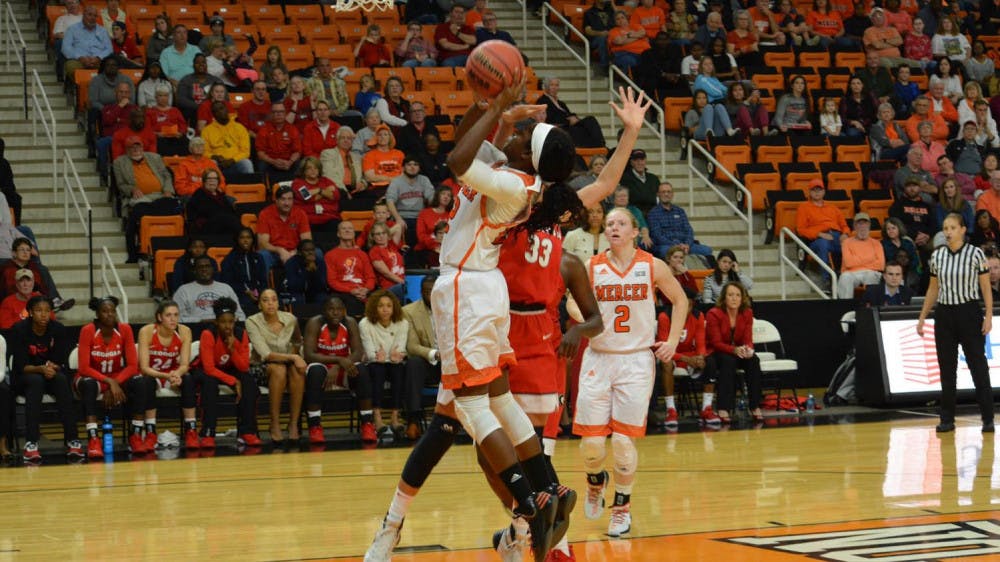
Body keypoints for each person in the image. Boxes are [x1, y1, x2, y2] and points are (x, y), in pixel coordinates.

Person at [363, 85, 649, 562]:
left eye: (523, 133)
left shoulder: (517, 187)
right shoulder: (516, 172)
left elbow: (458, 159)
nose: (517, 132)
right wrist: (487, 107)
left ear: (527, 153)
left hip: (475, 297)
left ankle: (526, 505)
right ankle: (534, 496)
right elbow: (464, 143)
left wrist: (496, 109)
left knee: (472, 416)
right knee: (450, 424)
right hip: (493, 303)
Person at [573, 206, 687, 538]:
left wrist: (671, 341)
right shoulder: (591, 267)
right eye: (609, 224)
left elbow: (680, 301)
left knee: (623, 441)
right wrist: (582, 317)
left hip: (636, 360)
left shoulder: (652, 265)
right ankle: (596, 481)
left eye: (621, 223)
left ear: (635, 231)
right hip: (599, 357)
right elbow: (569, 301)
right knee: (592, 445)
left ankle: (622, 507)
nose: (614, 227)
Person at [916, 213, 994, 433]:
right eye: (945, 228)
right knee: (947, 369)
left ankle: (987, 417)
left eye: (952, 227)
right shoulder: (937, 256)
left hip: (969, 312)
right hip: (944, 314)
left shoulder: (975, 253)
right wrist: (922, 317)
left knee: (978, 366)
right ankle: (947, 418)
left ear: (962, 229)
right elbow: (933, 289)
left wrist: (988, 315)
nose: (948, 231)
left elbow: (986, 287)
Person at [11, 296, 81, 462]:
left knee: (62, 380)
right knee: (36, 381)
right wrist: (41, 369)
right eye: (39, 311)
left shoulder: (58, 329)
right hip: (25, 377)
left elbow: (60, 360)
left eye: (47, 311)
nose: (43, 315)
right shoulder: (19, 329)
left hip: (48, 373)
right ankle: (31, 443)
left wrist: (52, 368)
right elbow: (21, 366)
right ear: (30, 313)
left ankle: (73, 440)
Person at [188, 297, 262, 449]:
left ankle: (247, 432)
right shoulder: (208, 334)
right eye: (223, 322)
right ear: (216, 322)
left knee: (248, 382)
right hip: (204, 370)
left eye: (231, 321)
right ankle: (208, 432)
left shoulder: (241, 334)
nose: (227, 326)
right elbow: (208, 368)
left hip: (229, 368)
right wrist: (233, 381)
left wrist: (233, 348)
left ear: (235, 320)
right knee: (210, 382)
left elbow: (243, 367)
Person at [73, 296, 134, 459]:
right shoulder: (88, 330)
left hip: (114, 377)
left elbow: (133, 365)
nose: (110, 314)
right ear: (97, 314)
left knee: (139, 383)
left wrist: (115, 382)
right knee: (90, 385)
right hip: (91, 377)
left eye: (112, 311)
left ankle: (136, 434)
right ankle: (93, 438)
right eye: (105, 311)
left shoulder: (125, 330)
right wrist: (109, 382)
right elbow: (84, 367)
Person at [302, 296, 366, 444]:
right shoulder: (315, 323)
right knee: (315, 372)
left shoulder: (350, 322)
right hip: (321, 365)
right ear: (324, 311)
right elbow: (309, 355)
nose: (335, 313)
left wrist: (339, 365)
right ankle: (315, 426)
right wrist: (337, 360)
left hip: (343, 366)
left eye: (339, 309)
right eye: (331, 309)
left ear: (344, 311)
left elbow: (357, 352)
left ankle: (367, 423)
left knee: (362, 370)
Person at [246, 289, 307, 442]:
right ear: (259, 305)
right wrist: (293, 356)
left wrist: (294, 353)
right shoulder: (252, 321)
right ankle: (274, 423)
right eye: (265, 300)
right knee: (278, 369)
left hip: (287, 364)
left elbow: (298, 340)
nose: (270, 303)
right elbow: (265, 354)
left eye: (273, 299)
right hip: (261, 367)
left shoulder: (290, 319)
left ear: (278, 303)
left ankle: (293, 424)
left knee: (297, 371)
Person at [658, 286, 718, 425]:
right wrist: (686, 359)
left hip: (690, 356)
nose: (685, 309)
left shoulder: (698, 316)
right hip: (672, 356)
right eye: (682, 305)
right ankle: (671, 410)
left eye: (689, 306)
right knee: (665, 362)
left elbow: (701, 343)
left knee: (710, 361)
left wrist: (701, 357)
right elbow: (664, 348)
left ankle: (707, 408)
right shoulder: (664, 317)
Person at [137, 300, 192, 450]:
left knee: (188, 379)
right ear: (159, 317)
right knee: (147, 381)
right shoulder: (147, 331)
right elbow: (144, 367)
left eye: (176, 315)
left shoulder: (184, 331)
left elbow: (185, 364)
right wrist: (166, 376)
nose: (173, 319)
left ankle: (191, 429)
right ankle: (150, 431)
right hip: (153, 374)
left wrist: (177, 374)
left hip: (171, 374)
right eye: (168, 315)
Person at [705, 282, 764, 422]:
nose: (734, 298)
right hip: (717, 352)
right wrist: (734, 350)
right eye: (730, 295)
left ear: (742, 298)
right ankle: (724, 407)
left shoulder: (747, 312)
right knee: (728, 360)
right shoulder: (714, 313)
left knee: (754, 360)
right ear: (724, 297)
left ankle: (755, 405)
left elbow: (748, 339)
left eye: (738, 295)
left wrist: (748, 349)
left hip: (738, 351)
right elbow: (716, 343)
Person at [113, 137, 177, 263]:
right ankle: (135, 252)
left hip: (161, 195)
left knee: (172, 205)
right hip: (140, 198)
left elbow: (166, 176)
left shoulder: (155, 157)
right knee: (139, 210)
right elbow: (121, 185)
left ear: (143, 147)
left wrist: (168, 190)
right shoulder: (119, 162)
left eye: (139, 147)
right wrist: (132, 189)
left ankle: (169, 245)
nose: (136, 149)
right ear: (127, 150)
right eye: (133, 147)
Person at [358, 290, 409, 438]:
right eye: (380, 306)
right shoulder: (365, 323)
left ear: (394, 308)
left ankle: (395, 418)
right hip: (374, 364)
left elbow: (400, 349)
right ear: (374, 307)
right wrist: (378, 357)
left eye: (389, 306)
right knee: (378, 370)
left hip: (394, 362)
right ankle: (377, 417)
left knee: (398, 370)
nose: (385, 309)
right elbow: (370, 353)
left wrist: (395, 355)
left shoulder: (402, 323)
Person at [400, 276, 438, 440]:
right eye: (426, 291)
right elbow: (412, 346)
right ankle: (413, 420)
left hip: (451, 360)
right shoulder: (409, 311)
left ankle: (467, 419)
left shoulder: (454, 307)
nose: (430, 295)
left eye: (433, 291)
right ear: (421, 292)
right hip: (428, 361)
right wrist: (435, 354)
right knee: (413, 364)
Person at [795, 179, 850, 286]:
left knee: (851, 243)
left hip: (836, 236)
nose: (817, 192)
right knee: (823, 244)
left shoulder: (833, 208)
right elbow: (801, 230)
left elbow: (844, 226)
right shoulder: (804, 207)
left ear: (824, 192)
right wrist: (819, 234)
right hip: (817, 240)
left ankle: (847, 276)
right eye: (814, 190)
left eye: (819, 190)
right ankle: (826, 280)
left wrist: (845, 234)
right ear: (809, 192)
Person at [647, 181, 712, 261]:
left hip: (684, 245)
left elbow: (689, 230)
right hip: (666, 246)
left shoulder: (680, 211)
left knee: (707, 250)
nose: (666, 194)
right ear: (658, 194)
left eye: (669, 192)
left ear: (672, 194)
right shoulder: (653, 213)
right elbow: (657, 236)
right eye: (663, 192)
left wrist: (687, 244)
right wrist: (676, 246)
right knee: (664, 251)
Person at [257, 185, 315, 271]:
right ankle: (264, 284)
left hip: (296, 252)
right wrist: (280, 250)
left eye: (289, 199)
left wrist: (295, 252)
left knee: (317, 253)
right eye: (283, 199)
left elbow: (307, 240)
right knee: (263, 254)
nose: (286, 203)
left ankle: (315, 284)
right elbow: (262, 244)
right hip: (274, 253)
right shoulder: (265, 214)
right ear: (276, 200)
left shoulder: (300, 213)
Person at [537, 77, 606, 149]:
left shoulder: (560, 103)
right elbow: (549, 118)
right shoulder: (543, 101)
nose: (555, 88)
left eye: (557, 85)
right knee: (589, 121)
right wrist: (568, 121)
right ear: (546, 86)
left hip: (569, 125)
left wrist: (574, 118)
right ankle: (601, 144)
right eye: (552, 85)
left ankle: (599, 144)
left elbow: (568, 113)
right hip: (561, 127)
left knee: (590, 121)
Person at [325, 220, 376, 317]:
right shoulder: (330, 255)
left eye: (350, 228)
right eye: (344, 229)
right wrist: (351, 290)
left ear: (354, 233)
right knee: (351, 303)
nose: (347, 231)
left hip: (363, 291)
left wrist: (366, 289)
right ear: (338, 234)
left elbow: (371, 277)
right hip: (344, 292)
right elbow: (332, 281)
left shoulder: (362, 254)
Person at [174, 256, 245, 323]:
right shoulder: (183, 290)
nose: (204, 269)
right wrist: (201, 320)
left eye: (207, 266)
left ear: (212, 269)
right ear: (194, 270)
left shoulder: (226, 288)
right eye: (200, 267)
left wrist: (227, 320)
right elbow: (177, 318)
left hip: (224, 328)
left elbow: (241, 316)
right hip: (196, 328)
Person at [220, 228, 268, 315]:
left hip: (258, 293)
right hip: (239, 293)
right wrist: (246, 291)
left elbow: (263, 280)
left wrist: (261, 293)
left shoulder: (258, 257)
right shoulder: (229, 259)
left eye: (249, 237)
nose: (245, 240)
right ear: (237, 240)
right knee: (249, 306)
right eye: (242, 238)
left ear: (253, 240)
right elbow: (227, 282)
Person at [202, 101, 254, 182]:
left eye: (221, 108)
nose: (220, 112)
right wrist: (214, 157)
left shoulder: (240, 128)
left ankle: (250, 189)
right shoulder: (206, 130)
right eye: (216, 111)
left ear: (226, 109)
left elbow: (245, 152)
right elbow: (204, 152)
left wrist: (232, 160)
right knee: (210, 163)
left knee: (246, 163)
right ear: (213, 114)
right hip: (218, 163)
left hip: (236, 162)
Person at [837, 213, 886, 298]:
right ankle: (845, 307)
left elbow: (881, 265)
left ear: (869, 225)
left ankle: (870, 307)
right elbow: (849, 263)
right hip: (851, 273)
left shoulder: (876, 243)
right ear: (855, 226)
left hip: (870, 272)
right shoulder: (846, 242)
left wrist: (857, 259)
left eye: (865, 223)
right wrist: (870, 259)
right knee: (845, 277)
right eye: (859, 224)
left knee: (872, 275)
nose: (862, 226)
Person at [386, 155, 434, 241]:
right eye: (409, 164)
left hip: (420, 217)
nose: (412, 167)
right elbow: (390, 201)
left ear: (419, 168)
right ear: (403, 167)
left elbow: (432, 198)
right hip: (402, 216)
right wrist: (398, 219)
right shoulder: (396, 181)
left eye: (415, 164)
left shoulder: (424, 180)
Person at [185, 168, 241, 238]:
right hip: (206, 227)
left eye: (215, 179)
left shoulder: (220, 195)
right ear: (204, 181)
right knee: (225, 218)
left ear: (218, 181)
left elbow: (230, 211)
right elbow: (197, 214)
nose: (212, 181)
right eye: (209, 178)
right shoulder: (199, 194)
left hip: (224, 225)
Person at [61, 6, 112, 81]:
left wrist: (98, 57)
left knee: (111, 66)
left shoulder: (102, 31)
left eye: (95, 16)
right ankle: (78, 87)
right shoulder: (72, 29)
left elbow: (109, 49)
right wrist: (80, 57)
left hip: (98, 61)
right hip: (79, 61)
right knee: (70, 66)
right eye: (90, 14)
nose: (92, 18)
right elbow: (65, 48)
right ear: (83, 15)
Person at [256, 102, 303, 184]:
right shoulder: (264, 130)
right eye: (275, 112)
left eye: (281, 112)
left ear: (285, 113)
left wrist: (290, 162)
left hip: (288, 162)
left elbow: (297, 151)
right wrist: (273, 161)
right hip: (270, 162)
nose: (278, 114)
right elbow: (260, 153)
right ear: (271, 114)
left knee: (298, 163)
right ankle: (266, 191)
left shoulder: (292, 129)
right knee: (262, 164)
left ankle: (297, 188)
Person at [291, 157, 341, 232]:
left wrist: (315, 193)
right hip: (307, 219)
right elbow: (306, 197)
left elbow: (335, 196)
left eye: (316, 168)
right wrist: (321, 190)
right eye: (309, 168)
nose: (313, 171)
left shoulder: (326, 181)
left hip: (329, 217)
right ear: (303, 171)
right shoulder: (298, 183)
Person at [890, 179, 936, 254]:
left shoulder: (927, 206)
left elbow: (933, 224)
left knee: (941, 238)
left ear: (920, 188)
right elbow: (896, 224)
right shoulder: (898, 205)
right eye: (909, 186)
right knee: (906, 242)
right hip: (907, 237)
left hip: (926, 238)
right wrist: (915, 235)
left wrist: (927, 235)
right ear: (904, 189)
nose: (912, 189)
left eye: (914, 186)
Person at [321, 126, 366, 198]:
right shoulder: (328, 154)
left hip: (356, 189)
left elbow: (365, 176)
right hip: (339, 188)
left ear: (352, 141)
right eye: (343, 138)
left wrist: (362, 183)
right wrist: (345, 191)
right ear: (337, 140)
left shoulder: (357, 157)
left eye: (349, 138)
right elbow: (329, 176)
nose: (346, 140)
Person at [368, 223, 407, 301]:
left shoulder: (392, 246)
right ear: (373, 237)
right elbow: (387, 273)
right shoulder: (374, 251)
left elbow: (398, 226)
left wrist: (387, 234)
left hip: (401, 284)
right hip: (388, 288)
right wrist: (404, 283)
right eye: (378, 234)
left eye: (383, 233)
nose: (381, 236)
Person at [363, 124, 405, 192]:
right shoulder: (369, 155)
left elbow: (405, 173)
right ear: (376, 138)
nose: (383, 137)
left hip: (400, 186)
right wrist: (390, 179)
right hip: (379, 188)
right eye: (380, 135)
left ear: (390, 137)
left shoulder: (399, 153)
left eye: (385, 134)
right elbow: (369, 177)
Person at [618, 149, 659, 215]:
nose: (639, 162)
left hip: (653, 214)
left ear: (645, 161)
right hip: (634, 214)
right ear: (631, 162)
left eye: (642, 159)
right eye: (636, 160)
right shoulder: (624, 179)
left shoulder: (654, 179)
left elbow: (658, 199)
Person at [584, 0, 616, 73]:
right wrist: (600, 33)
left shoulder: (610, 10)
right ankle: (605, 66)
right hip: (597, 38)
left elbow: (622, 19)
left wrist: (612, 4)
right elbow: (587, 31)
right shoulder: (589, 13)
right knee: (602, 39)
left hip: (612, 35)